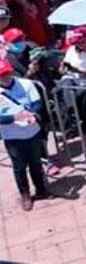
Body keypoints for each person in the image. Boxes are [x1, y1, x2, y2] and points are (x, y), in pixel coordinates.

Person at [0, 59, 47, 210]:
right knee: (19, 167)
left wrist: (33, 113)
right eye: (1, 75)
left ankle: (41, 189)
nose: (5, 77)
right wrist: (14, 118)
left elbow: (37, 102)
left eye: (7, 74)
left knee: (36, 162)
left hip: (31, 131)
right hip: (12, 136)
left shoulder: (26, 84)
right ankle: (25, 195)